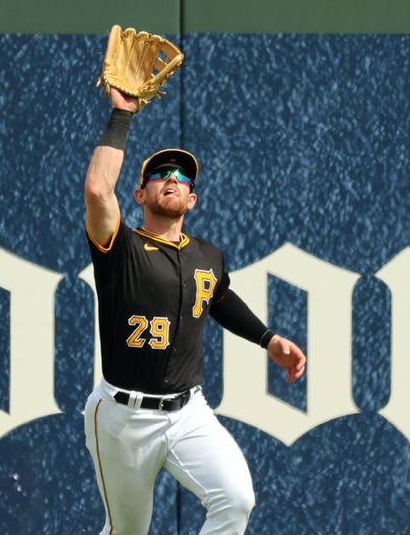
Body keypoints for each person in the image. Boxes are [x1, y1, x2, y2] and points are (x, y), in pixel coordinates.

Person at [83, 87, 307, 535]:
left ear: (192, 200)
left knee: (236, 499)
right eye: (160, 173)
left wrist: (268, 339)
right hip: (124, 416)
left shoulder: (208, 255)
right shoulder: (120, 247)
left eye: (182, 177)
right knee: (127, 532)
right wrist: (121, 116)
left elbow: (219, 299)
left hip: (187, 411)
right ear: (140, 194)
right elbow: (96, 189)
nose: (172, 178)